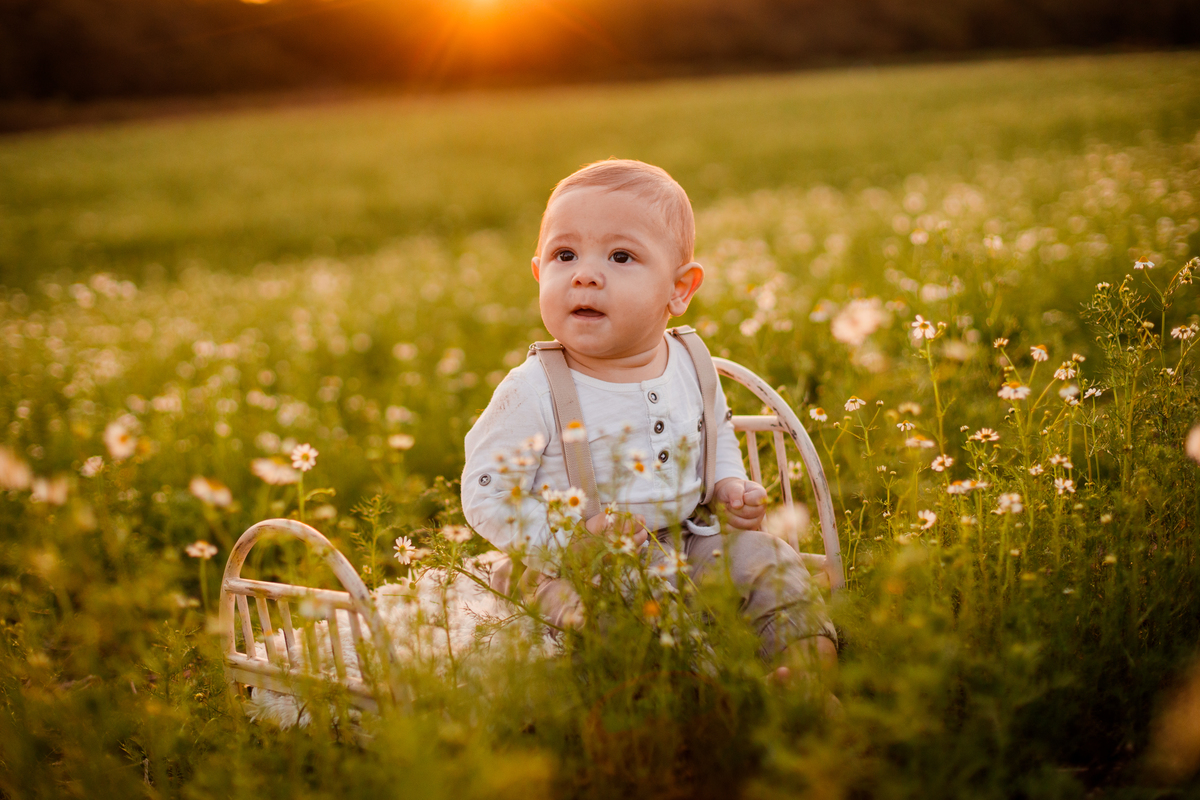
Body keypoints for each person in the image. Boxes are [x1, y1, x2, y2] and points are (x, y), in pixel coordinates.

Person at [461, 158, 836, 680]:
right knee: (612, 618)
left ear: (679, 290)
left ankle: (806, 681)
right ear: (538, 273)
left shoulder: (690, 361)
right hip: (575, 568)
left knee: (769, 562)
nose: (585, 274)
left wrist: (727, 482)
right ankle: (692, 701)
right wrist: (571, 542)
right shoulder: (534, 387)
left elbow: (715, 425)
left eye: (620, 256)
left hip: (689, 539)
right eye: (564, 254)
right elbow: (487, 492)